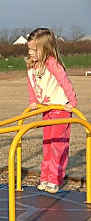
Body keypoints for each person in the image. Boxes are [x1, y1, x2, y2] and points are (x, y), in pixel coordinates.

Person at [26, 28, 77, 194]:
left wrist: (72, 102)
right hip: (47, 110)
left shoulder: (52, 64)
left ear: (46, 48)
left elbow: (65, 82)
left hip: (60, 109)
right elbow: (31, 86)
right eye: (29, 49)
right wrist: (33, 101)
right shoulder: (33, 66)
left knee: (58, 146)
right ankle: (45, 178)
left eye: (35, 50)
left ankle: (55, 180)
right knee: (47, 144)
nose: (31, 53)